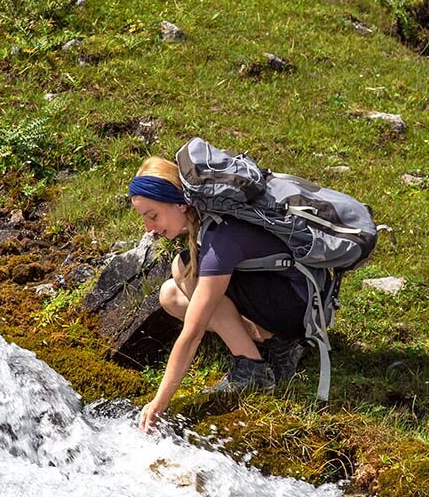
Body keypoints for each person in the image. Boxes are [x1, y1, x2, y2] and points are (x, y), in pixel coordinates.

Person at [130, 156, 309, 432]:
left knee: (186, 271)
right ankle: (267, 343)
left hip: (296, 308)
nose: (149, 228)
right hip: (283, 295)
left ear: (179, 203)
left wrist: (159, 403)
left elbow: (192, 335)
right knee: (171, 295)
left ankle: (255, 367)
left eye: (152, 216)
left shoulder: (220, 235)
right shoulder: (206, 222)